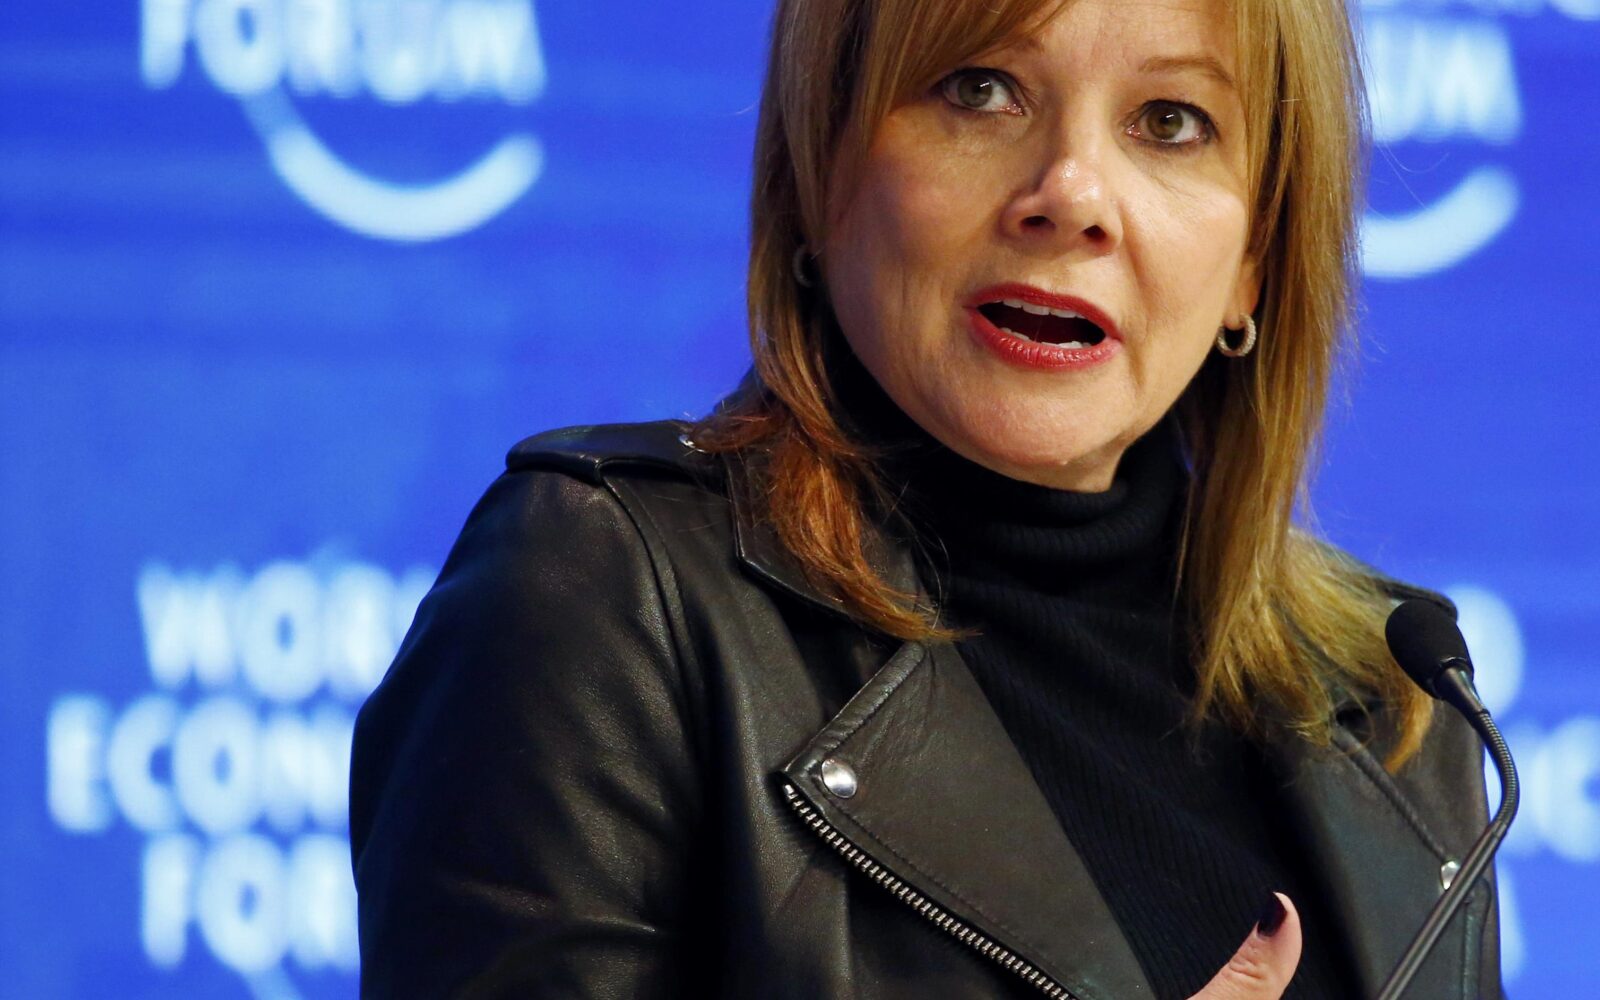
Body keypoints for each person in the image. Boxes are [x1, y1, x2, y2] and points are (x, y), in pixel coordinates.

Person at [349, 0, 1503, 996]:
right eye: (979, 89)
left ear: (1254, 255)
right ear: (819, 171)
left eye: (1169, 122)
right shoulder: (605, 597)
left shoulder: (1399, 704)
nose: (1070, 195)